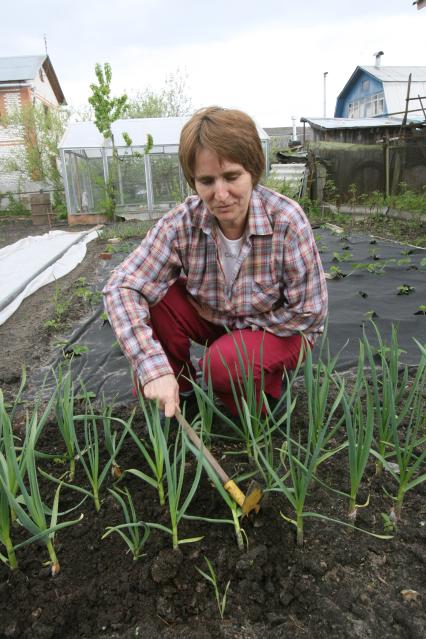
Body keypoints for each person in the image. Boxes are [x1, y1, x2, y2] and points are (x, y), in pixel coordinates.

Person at [103, 106, 328, 418]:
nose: (220, 194)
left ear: (253, 172)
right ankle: (179, 398)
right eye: (206, 181)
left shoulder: (286, 221)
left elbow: (309, 314)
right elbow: (121, 286)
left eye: (232, 177)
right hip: (219, 318)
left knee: (224, 366)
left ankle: (266, 410)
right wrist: (152, 366)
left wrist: (240, 338)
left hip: (281, 330)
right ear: (194, 181)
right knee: (155, 297)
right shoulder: (183, 222)